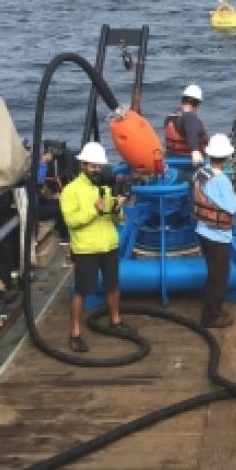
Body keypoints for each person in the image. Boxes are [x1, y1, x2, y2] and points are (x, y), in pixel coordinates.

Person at [58, 142, 135, 352]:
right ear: (83, 165)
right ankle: (75, 334)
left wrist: (117, 208)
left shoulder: (103, 187)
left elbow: (114, 217)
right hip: (86, 249)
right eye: (93, 166)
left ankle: (115, 321)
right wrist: (95, 210)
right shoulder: (70, 191)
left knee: (113, 285)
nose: (97, 170)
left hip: (108, 245)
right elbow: (71, 221)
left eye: (99, 166)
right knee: (82, 291)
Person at [193, 133, 236, 328]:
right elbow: (233, 206)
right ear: (227, 157)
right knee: (219, 277)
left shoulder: (200, 173)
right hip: (218, 236)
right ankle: (211, 317)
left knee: (214, 274)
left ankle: (215, 310)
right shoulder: (222, 181)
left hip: (202, 230)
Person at [164, 84, 209, 166]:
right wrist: (195, 151)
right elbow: (191, 131)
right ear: (197, 103)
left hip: (171, 163)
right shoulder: (190, 118)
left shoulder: (171, 118)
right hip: (189, 165)